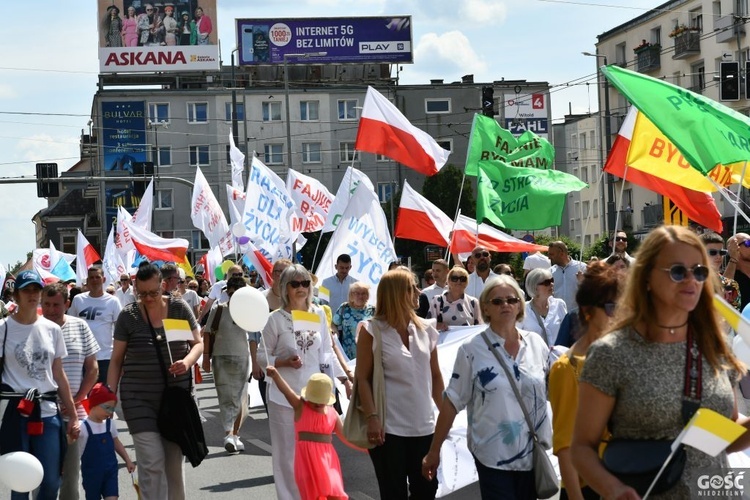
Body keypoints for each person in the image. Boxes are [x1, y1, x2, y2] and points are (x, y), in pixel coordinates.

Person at [571, 225, 750, 498]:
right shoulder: (612, 353)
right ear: (646, 278)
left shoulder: (714, 347)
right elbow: (582, 448)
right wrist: (615, 490)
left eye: (700, 271)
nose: (691, 280)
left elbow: (723, 436)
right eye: (678, 271)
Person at [422, 275, 551, 499]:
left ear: (520, 304)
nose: (506, 305)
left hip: (532, 454)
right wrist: (434, 452)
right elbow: (452, 402)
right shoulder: (472, 349)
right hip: (493, 457)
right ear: (486, 308)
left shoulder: (535, 343)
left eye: (511, 300)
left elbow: (551, 391)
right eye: (497, 301)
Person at [108, 262, 202, 499]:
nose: (148, 298)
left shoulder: (179, 308)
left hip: (175, 400)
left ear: (163, 285)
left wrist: (187, 362)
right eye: (143, 294)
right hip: (138, 399)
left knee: (173, 467)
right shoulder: (128, 316)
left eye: (153, 292)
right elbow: (117, 359)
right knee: (152, 462)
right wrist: (109, 396)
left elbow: (197, 343)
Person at [257, 264, 346, 500]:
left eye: (305, 283)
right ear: (285, 288)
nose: (301, 288)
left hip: (315, 399)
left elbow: (327, 352)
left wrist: (343, 379)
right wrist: (283, 362)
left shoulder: (318, 314)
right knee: (287, 453)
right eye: (295, 283)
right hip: (284, 397)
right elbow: (260, 356)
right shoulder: (274, 319)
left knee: (315, 452)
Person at [356, 269, 444, 499]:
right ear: (395, 293)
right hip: (388, 429)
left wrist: (445, 414)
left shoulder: (427, 329)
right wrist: (372, 417)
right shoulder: (371, 330)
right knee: (393, 493)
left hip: (425, 427)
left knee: (427, 491)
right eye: (411, 287)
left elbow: (435, 376)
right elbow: (362, 378)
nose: (418, 292)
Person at [0, 270, 80, 500]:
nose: (32, 294)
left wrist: (73, 415)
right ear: (16, 295)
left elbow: (58, 373)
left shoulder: (52, 329)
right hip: (15, 412)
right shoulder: (3, 329)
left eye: (36, 289)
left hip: (47, 411)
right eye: (27, 290)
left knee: (51, 479)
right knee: (20, 479)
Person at [548, 262, 620, 500]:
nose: (617, 314)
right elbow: (564, 446)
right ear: (588, 310)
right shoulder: (566, 367)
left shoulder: (620, 358)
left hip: (622, 480)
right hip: (586, 488)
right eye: (611, 307)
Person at [41, 283, 100, 500]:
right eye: (46, 304)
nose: (50, 310)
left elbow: (93, 369)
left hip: (73, 414)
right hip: (43, 412)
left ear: (67, 304)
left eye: (56, 305)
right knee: (44, 476)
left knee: (71, 475)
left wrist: (76, 400)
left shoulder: (80, 326)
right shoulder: (35, 328)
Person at [266, 366, 361, 499]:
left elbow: (346, 437)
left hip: (328, 461)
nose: (317, 404)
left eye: (321, 401)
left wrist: (368, 449)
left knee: (335, 493)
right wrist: (275, 375)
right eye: (314, 400)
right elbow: (287, 392)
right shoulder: (300, 406)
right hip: (306, 463)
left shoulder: (333, 413)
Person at [203, 277, 251, 454]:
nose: (234, 295)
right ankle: (228, 434)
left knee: (241, 398)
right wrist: (206, 358)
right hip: (220, 356)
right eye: (231, 292)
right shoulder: (218, 309)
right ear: (227, 292)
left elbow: (255, 336)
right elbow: (207, 333)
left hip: (243, 357)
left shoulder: (250, 310)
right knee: (226, 396)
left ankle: (236, 434)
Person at [78, 383, 135, 500]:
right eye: (107, 408)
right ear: (94, 404)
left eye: (112, 409)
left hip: (110, 471)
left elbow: (116, 442)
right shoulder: (83, 427)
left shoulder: (110, 424)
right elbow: (78, 451)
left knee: (112, 497)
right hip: (92, 474)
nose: (110, 412)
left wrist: (128, 460)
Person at [68, 266, 123, 384]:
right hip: (81, 357)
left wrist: (120, 357)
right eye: (91, 278)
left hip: (104, 357)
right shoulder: (78, 299)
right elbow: (70, 325)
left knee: (101, 397)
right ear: (87, 280)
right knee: (82, 397)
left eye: (97, 277)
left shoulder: (113, 301)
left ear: (103, 279)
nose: (94, 280)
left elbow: (120, 330)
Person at [518, 268, 568, 346]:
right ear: (534, 286)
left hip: (558, 357)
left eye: (552, 280)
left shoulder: (560, 304)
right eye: (546, 282)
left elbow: (567, 333)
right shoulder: (522, 309)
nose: (552, 284)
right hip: (534, 357)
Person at [427, 266, 482, 331]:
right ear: (448, 281)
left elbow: (479, 327)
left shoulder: (473, 302)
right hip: (444, 340)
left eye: (462, 279)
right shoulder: (437, 301)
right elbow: (428, 325)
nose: (458, 281)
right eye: (454, 278)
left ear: (467, 282)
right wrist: (438, 325)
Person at [331, 282, 374, 360]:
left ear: (367, 296)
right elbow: (333, 323)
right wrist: (335, 332)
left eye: (363, 293)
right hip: (346, 354)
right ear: (351, 295)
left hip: (367, 354)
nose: (360, 296)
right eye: (357, 293)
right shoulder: (344, 308)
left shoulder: (372, 310)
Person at [702, 231, 741, 311]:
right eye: (712, 252)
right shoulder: (691, 282)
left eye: (721, 252)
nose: (718, 256)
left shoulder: (732, 285)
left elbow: (734, 317)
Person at [549, 241, 587, 312]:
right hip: (558, 316)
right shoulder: (550, 272)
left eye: (551, 254)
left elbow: (591, 292)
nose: (549, 257)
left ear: (561, 254)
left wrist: (583, 283)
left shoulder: (582, 268)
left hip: (577, 315)